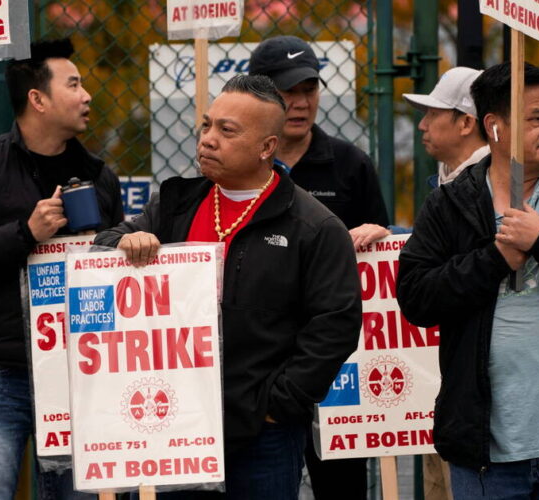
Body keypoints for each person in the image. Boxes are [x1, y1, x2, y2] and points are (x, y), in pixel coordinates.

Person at [96, 74, 362, 499]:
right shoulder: (175, 206)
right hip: (175, 425)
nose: (208, 139)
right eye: (206, 125)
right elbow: (103, 247)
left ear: (267, 148)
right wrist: (124, 242)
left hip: (264, 435)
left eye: (227, 130)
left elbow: (335, 325)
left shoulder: (314, 226)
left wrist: (277, 406)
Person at [397, 62, 539, 498]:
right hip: (486, 455)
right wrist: (495, 257)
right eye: (534, 119)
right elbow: (417, 298)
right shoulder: (451, 204)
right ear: (494, 127)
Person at [0, 38, 123, 500]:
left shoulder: (97, 173)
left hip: (78, 369)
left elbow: (112, 274)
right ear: (38, 99)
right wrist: (26, 232)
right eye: (73, 84)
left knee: (81, 492)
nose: (87, 94)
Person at [248, 35, 386, 498]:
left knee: (341, 486)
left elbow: (381, 258)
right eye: (288, 91)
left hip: (334, 364)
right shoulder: (239, 165)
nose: (301, 102)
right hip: (261, 364)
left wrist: (382, 236)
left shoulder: (350, 165)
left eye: (309, 89)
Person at [350, 66, 489, 250]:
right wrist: (391, 236)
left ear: (466, 123)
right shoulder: (457, 179)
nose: (422, 125)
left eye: (433, 114)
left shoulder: (493, 184)